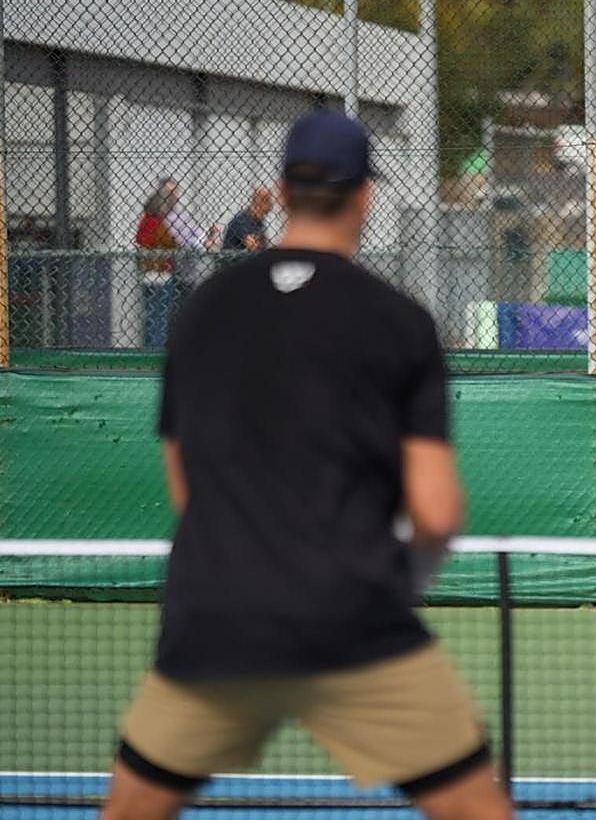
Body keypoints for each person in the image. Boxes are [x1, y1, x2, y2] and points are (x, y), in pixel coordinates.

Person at [101, 109, 512, 820]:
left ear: (283, 191)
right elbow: (436, 511)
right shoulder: (400, 321)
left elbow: (186, 486)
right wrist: (396, 583)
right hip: (354, 618)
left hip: (215, 623)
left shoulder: (201, 311)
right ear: (366, 196)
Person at [134, 184, 180, 347]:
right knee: (161, 316)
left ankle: (150, 347)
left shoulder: (144, 222)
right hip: (162, 274)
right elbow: (172, 243)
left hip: (147, 273)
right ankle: (157, 348)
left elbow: (140, 240)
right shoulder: (159, 224)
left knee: (150, 315)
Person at [221, 186, 274, 252]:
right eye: (268, 200)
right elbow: (254, 247)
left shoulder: (258, 221)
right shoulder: (242, 221)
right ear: (260, 202)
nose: (272, 204)